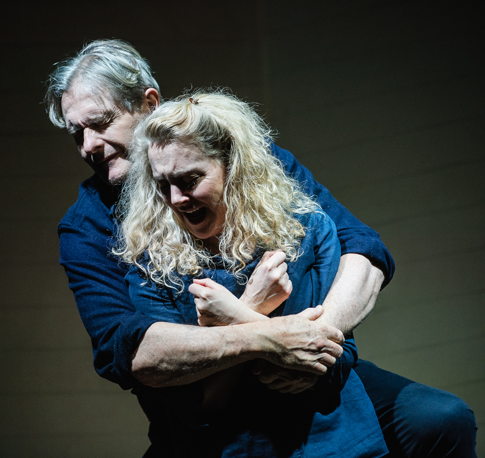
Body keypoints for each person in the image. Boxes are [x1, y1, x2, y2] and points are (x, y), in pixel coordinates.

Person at [45, 39, 477, 457]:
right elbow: (130, 349)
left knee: (439, 419)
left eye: (99, 123)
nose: (88, 146)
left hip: (313, 368)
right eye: (76, 133)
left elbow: (361, 247)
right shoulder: (87, 228)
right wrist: (266, 332)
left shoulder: (250, 160)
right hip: (201, 403)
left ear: (149, 103)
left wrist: (310, 345)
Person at [116, 90, 387, 457]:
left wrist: (233, 318)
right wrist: (255, 308)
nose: (176, 198)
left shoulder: (307, 232)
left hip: (336, 443)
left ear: (233, 167)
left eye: (190, 179)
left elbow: (326, 367)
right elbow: (201, 406)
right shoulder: (152, 268)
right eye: (162, 184)